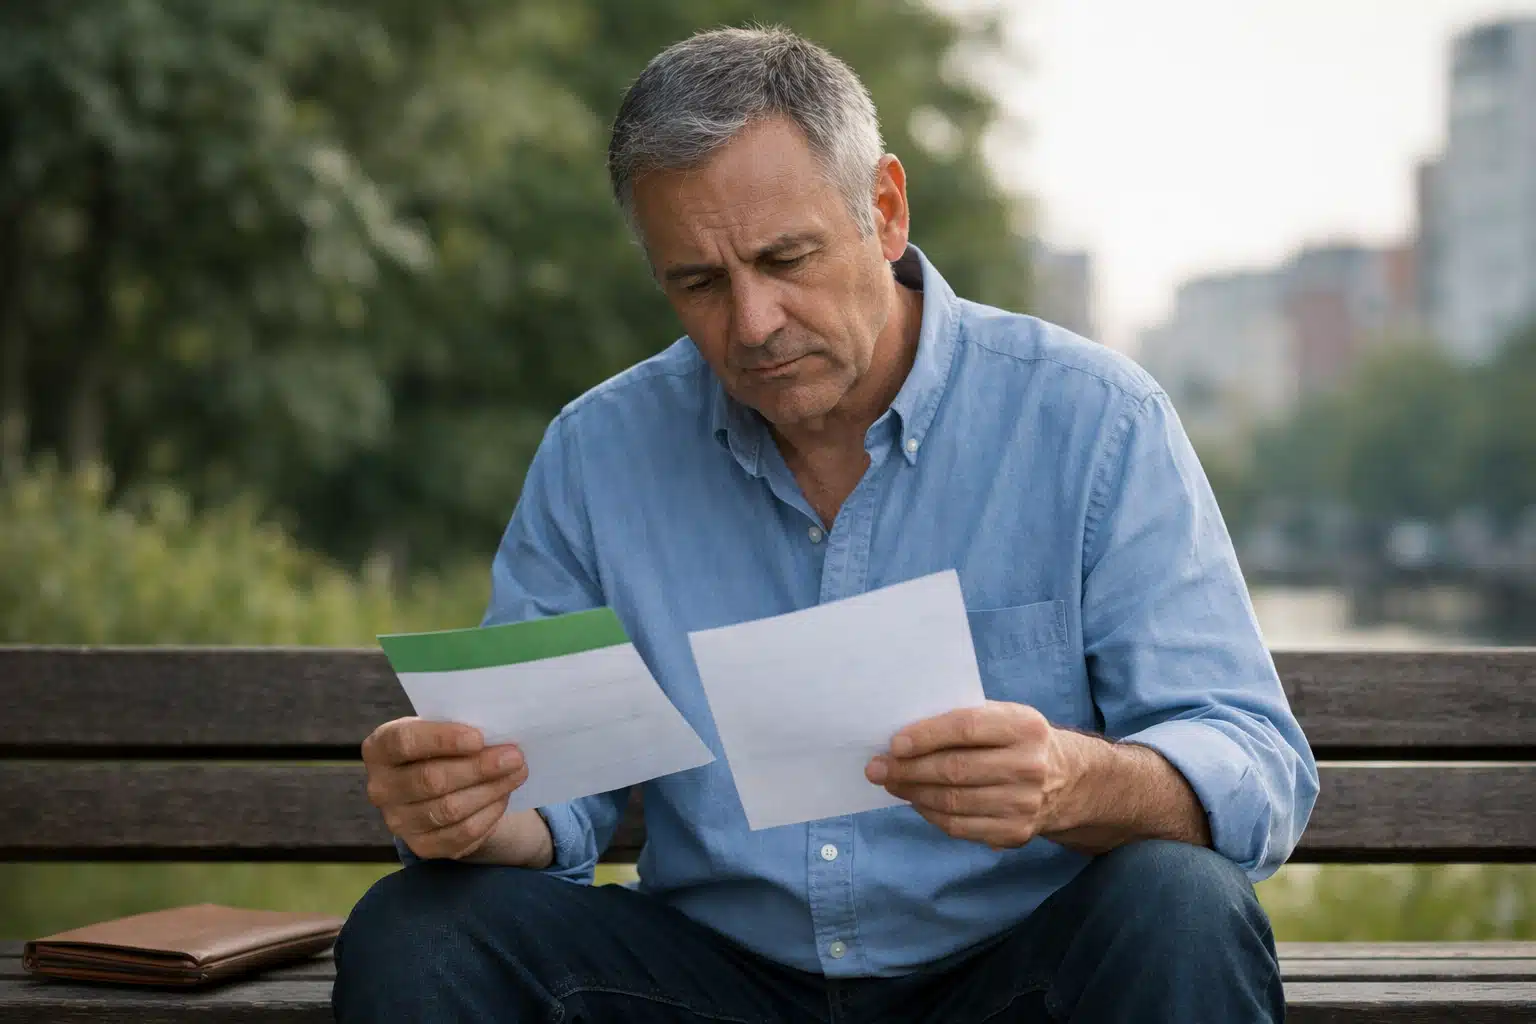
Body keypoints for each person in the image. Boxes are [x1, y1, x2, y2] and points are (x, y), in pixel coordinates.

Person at [333, 25, 1318, 1024]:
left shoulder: (1094, 421)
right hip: (707, 981)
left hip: (1013, 976)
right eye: (700, 282)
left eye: (786, 257)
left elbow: (1254, 762)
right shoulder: (598, 454)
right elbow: (556, 800)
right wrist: (477, 812)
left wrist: (1076, 781)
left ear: (885, 211)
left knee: (1185, 906)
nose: (753, 321)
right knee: (421, 930)